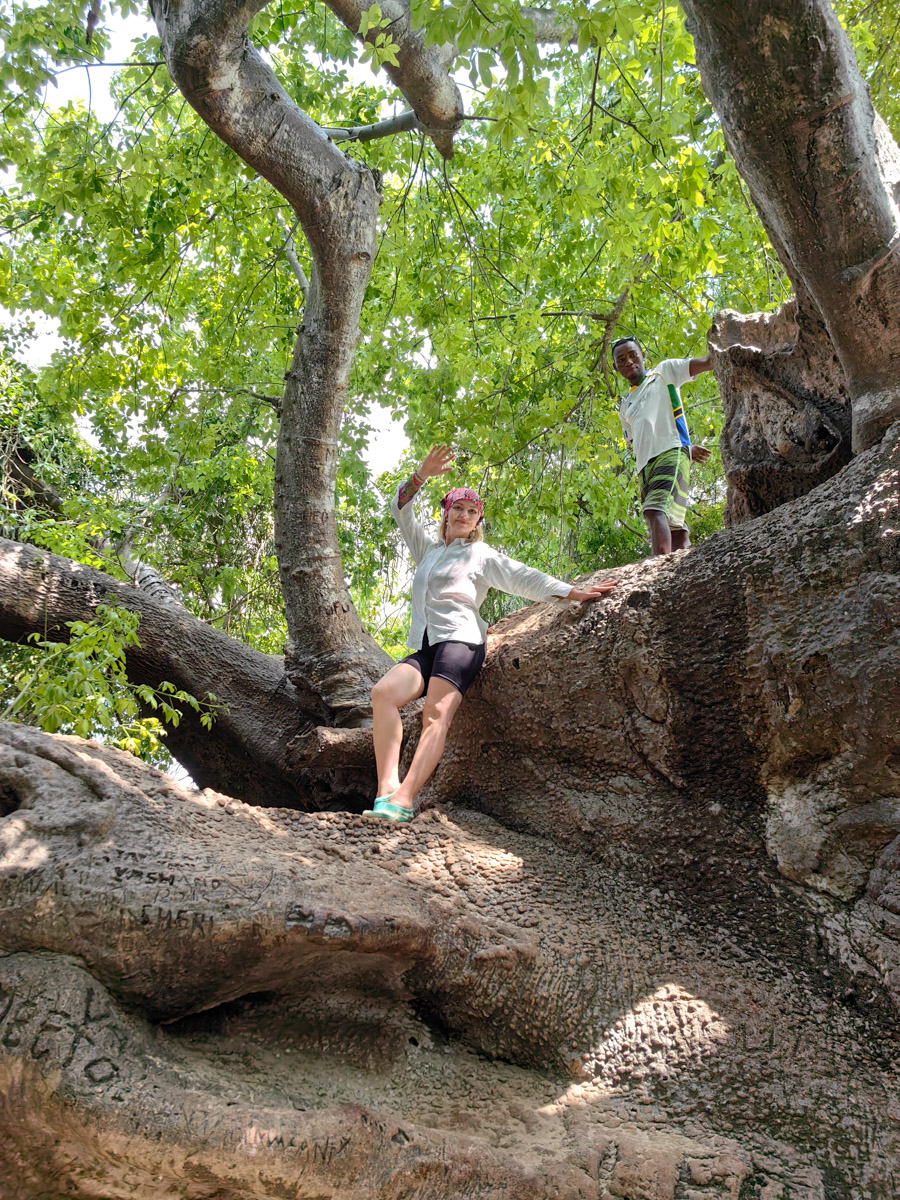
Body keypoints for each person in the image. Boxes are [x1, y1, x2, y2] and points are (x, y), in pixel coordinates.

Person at [364, 444, 617, 823]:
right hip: (427, 643)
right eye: (459, 509)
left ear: (478, 520)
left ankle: (403, 799)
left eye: (473, 511)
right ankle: (386, 790)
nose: (466, 515)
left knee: (436, 715)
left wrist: (569, 592)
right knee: (383, 694)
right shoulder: (428, 551)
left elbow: (520, 576)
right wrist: (422, 474)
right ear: (446, 514)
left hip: (462, 642)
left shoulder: (478, 555)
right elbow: (399, 507)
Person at [612, 337, 713, 556]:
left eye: (632, 355)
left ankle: (657, 572)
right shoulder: (624, 407)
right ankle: (685, 566)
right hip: (644, 467)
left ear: (642, 356)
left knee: (654, 509)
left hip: (671, 451)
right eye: (621, 360)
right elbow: (637, 438)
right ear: (616, 367)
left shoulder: (664, 372)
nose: (628, 362)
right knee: (673, 524)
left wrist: (684, 447)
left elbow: (706, 362)